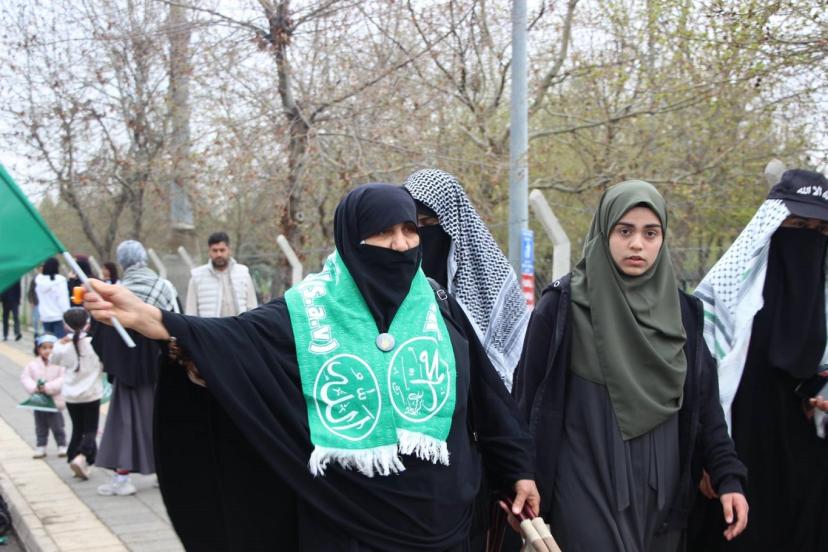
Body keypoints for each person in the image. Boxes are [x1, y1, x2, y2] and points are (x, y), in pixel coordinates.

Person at [84, 183, 538, 551]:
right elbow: (231, 339)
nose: (401, 245)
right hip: (347, 522)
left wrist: (518, 469)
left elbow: (488, 400)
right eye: (384, 233)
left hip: (447, 525)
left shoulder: (439, 308)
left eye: (410, 230)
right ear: (353, 239)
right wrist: (149, 317)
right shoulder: (307, 313)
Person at [512, 180, 748, 551]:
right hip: (585, 481)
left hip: (662, 500)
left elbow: (705, 407)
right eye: (625, 231)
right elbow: (528, 404)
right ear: (604, 232)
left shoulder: (683, 314)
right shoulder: (561, 308)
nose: (637, 244)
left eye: (650, 233)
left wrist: (728, 475)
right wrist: (520, 474)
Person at [688, 169, 828, 551]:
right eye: (799, 225)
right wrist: (709, 459)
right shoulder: (726, 301)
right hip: (738, 467)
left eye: (821, 231)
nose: (809, 238)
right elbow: (696, 387)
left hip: (808, 478)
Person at [404, 169, 530, 390]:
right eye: (413, 228)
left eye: (428, 222)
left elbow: (515, 357)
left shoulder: (493, 274)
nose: (421, 235)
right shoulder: (400, 274)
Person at [90, 240, 179, 497]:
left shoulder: (117, 291)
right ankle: (166, 474)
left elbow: (101, 334)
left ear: (122, 261)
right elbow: (177, 321)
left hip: (127, 366)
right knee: (163, 419)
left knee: (124, 421)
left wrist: (113, 363)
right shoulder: (164, 286)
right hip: (161, 363)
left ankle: (122, 479)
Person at [51, 307, 103, 481]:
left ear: (65, 326)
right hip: (91, 394)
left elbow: (53, 360)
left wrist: (60, 343)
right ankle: (82, 456)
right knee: (90, 429)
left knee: (77, 429)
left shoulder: (62, 346)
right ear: (88, 324)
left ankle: (76, 461)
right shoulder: (94, 344)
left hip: (71, 395)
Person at [185, 231, 257, 317]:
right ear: (209, 252)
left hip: (239, 325)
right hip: (210, 325)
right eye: (215, 251)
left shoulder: (243, 273)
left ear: (229, 250)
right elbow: (191, 312)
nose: (219, 254)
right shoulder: (197, 277)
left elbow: (252, 307)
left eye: (222, 250)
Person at [21, 334, 67, 459]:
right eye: (44, 348)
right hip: (39, 402)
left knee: (58, 426)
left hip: (55, 401)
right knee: (40, 426)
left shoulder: (61, 364)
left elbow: (63, 379)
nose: (47, 351)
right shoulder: (32, 365)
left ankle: (62, 445)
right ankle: (41, 446)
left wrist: (48, 387)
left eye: (51, 347)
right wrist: (34, 387)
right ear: (38, 349)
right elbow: (25, 378)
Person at [35, 258, 69, 338]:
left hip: (45, 316)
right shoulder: (60, 280)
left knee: (48, 340)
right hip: (58, 316)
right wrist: (67, 316)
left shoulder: (39, 280)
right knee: (60, 341)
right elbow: (63, 300)